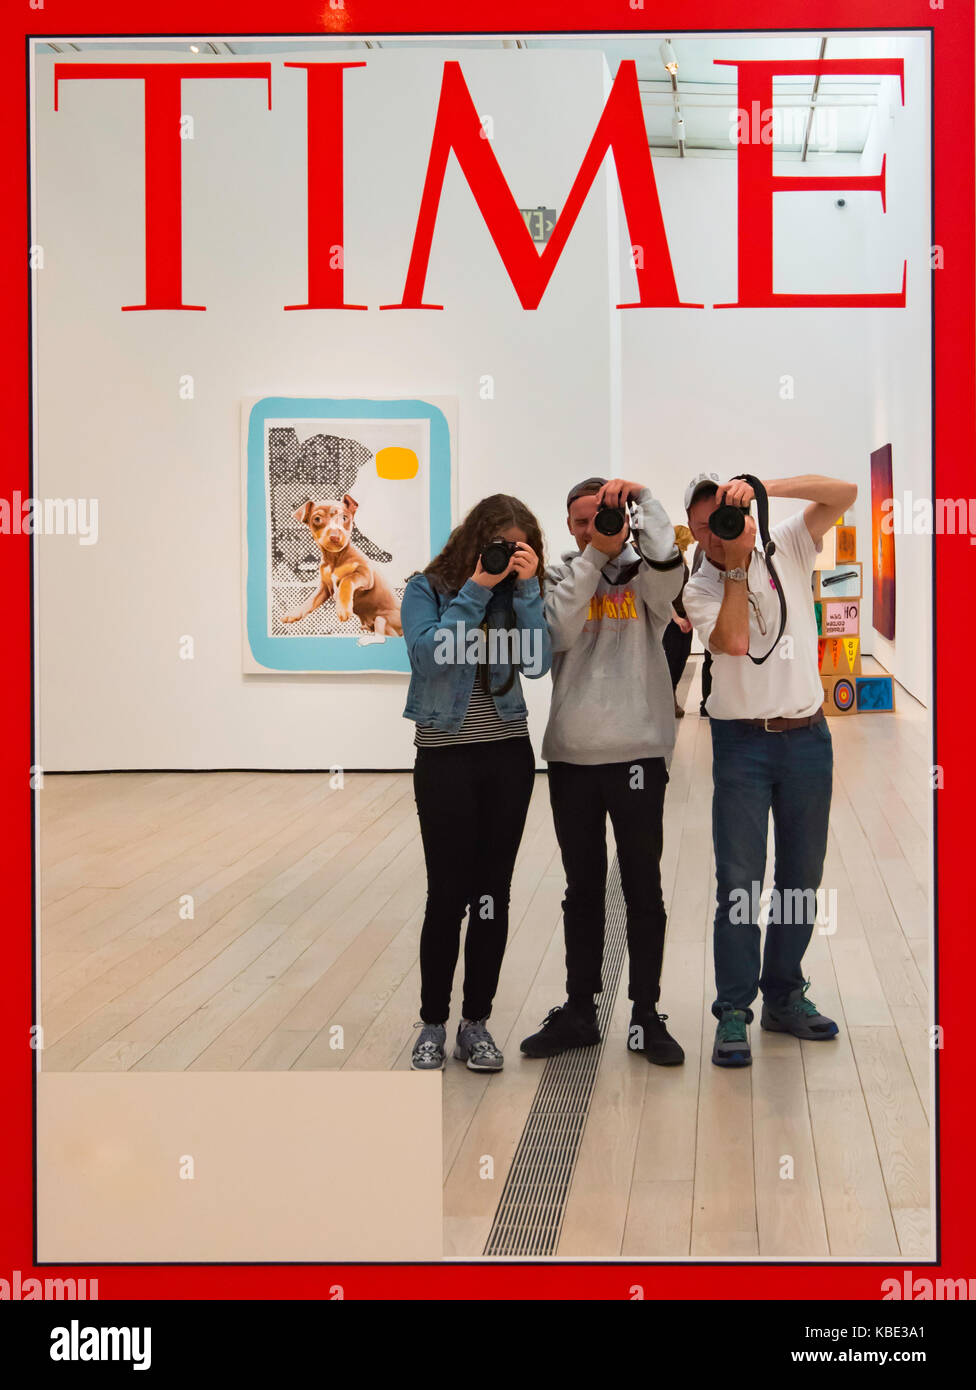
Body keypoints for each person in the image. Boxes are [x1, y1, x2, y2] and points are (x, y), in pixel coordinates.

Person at [681, 471, 857, 1068]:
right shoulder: (700, 583)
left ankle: (784, 995)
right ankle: (734, 1009)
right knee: (739, 883)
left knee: (801, 881)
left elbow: (845, 493)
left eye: (723, 521)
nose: (714, 536)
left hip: (808, 737)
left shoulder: (787, 541)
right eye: (703, 528)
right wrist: (733, 566)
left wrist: (760, 484)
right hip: (741, 746)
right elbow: (732, 642)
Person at [520, 476, 686, 1066]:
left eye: (607, 517)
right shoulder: (559, 578)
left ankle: (646, 1015)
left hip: (639, 752)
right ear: (569, 527)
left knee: (645, 889)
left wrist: (645, 498)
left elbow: (670, 569)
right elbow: (556, 633)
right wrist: (596, 554)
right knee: (581, 890)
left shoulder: (648, 577)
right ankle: (580, 1011)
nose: (598, 529)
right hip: (574, 757)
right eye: (585, 521)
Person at [401, 495, 552, 1073]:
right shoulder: (428, 589)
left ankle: (476, 1024)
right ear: (473, 541)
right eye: (498, 547)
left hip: (507, 757)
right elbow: (429, 656)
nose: (505, 558)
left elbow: (536, 663)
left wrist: (528, 590)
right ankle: (433, 1023)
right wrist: (477, 588)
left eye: (517, 550)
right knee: (447, 895)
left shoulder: (521, 595)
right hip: (445, 759)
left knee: (493, 894)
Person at [662, 524, 696, 718]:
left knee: (681, 657)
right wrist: (675, 618)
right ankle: (668, 699)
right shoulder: (670, 559)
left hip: (683, 615)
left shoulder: (680, 558)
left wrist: (689, 615)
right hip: (673, 619)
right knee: (673, 659)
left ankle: (670, 696)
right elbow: (664, 592)